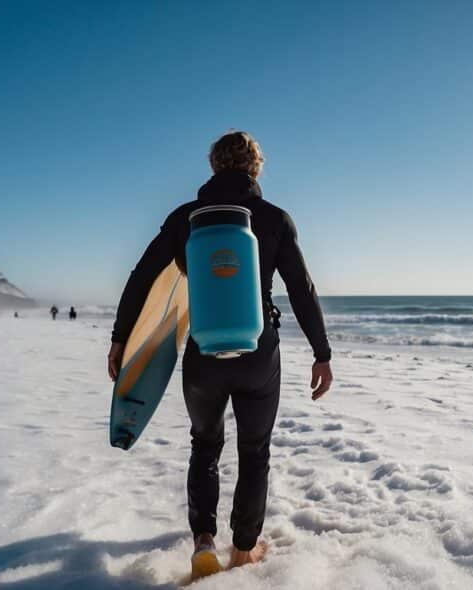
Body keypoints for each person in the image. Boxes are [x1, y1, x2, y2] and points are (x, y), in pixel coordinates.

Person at [107, 131, 333, 576]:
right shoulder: (273, 218)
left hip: (203, 349)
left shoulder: (185, 219)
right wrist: (321, 353)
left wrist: (121, 337)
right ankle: (244, 549)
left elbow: (141, 277)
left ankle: (204, 540)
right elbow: (302, 290)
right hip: (258, 351)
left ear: (214, 166)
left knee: (205, 445)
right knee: (254, 449)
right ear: (256, 167)